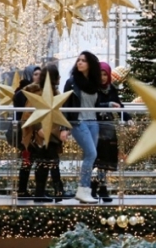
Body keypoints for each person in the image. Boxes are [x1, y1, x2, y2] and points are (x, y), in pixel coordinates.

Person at [24, 65, 71, 203]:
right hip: (42, 134)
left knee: (49, 162)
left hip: (51, 133)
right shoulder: (39, 93)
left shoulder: (53, 93)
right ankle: (54, 192)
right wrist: (38, 128)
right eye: (57, 76)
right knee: (48, 162)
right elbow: (29, 113)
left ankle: (49, 192)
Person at [62, 51, 102, 204]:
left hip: (94, 123)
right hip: (78, 123)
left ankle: (84, 191)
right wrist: (63, 128)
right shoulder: (71, 82)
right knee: (91, 154)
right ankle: (83, 189)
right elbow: (64, 106)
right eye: (78, 60)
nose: (79, 63)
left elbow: (94, 105)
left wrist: (109, 105)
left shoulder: (94, 84)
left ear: (90, 64)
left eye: (83, 61)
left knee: (90, 156)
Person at [94, 61, 129, 203]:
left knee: (106, 161)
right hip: (95, 126)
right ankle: (96, 187)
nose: (102, 77)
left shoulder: (111, 88)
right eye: (100, 74)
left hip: (108, 128)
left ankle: (98, 187)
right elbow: (93, 105)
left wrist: (127, 118)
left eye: (105, 74)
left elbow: (118, 105)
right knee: (98, 160)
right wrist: (107, 105)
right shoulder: (93, 88)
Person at [13, 65, 42, 198]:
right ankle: (22, 190)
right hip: (26, 131)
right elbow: (20, 115)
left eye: (40, 74)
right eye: (35, 74)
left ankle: (38, 190)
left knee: (39, 161)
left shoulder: (42, 91)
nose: (38, 76)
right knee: (27, 160)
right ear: (29, 75)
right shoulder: (22, 93)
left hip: (39, 131)